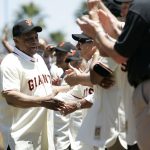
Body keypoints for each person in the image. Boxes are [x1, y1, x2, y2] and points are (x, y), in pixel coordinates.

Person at [77, 0, 150, 149]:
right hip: (130, 112)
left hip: (125, 118)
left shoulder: (137, 14)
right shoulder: (129, 29)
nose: (125, 11)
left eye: (125, 6)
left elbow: (96, 76)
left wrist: (97, 32)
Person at [0, 19, 66, 150]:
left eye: (36, 37)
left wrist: (79, 85)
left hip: (42, 137)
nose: (34, 41)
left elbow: (47, 91)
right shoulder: (10, 63)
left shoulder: (39, 59)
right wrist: (42, 102)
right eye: (28, 38)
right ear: (16, 40)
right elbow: (11, 97)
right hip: (19, 140)